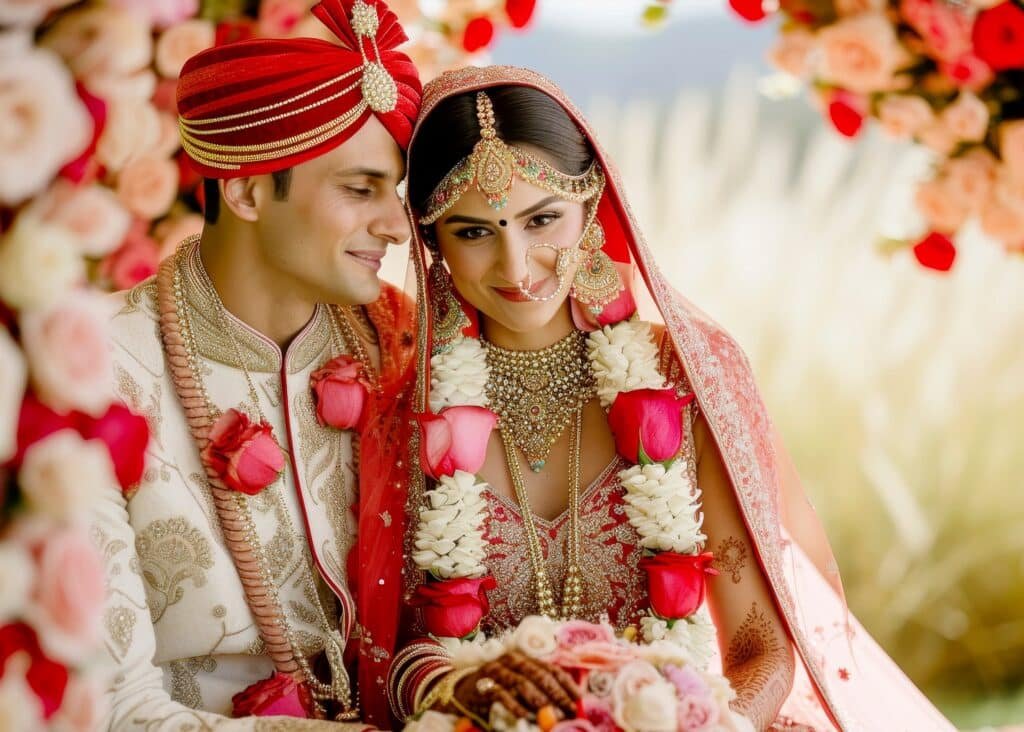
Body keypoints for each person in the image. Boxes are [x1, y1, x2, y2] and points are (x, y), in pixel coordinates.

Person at [386, 66, 955, 731]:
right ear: (432, 240)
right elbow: (387, 650)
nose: (516, 267)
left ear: (593, 205)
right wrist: (462, 691)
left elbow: (761, 651)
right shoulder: (406, 401)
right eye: (475, 232)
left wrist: (714, 726)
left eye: (543, 220)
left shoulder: (684, 375)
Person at [92, 0, 420, 727]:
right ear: (243, 191)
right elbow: (108, 707)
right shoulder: (97, 369)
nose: (397, 225)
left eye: (394, 191)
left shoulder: (403, 342)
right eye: (359, 189)